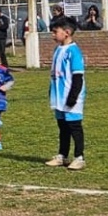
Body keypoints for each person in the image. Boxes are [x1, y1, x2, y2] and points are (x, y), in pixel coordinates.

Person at [45, 16, 87, 171]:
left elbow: (78, 77)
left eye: (55, 32)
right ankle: (62, 155)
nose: (53, 35)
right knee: (62, 127)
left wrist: (73, 97)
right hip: (59, 97)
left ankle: (79, 157)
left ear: (67, 32)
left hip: (71, 97)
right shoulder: (58, 49)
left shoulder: (74, 52)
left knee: (74, 126)